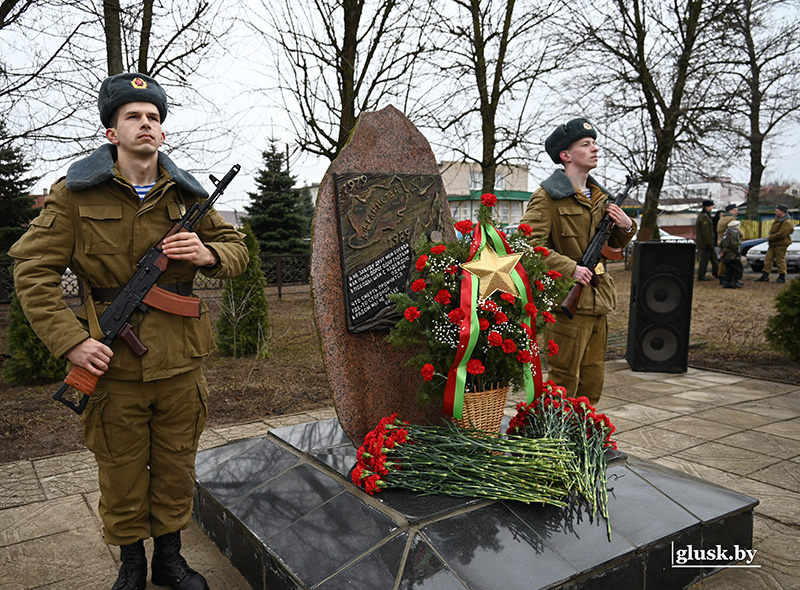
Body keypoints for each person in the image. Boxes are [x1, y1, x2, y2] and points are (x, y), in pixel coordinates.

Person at [9, 73, 249, 590]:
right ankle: (132, 565)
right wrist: (71, 341)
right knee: (120, 471)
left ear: (163, 133)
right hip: (111, 362)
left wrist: (209, 254)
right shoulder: (74, 196)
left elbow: (238, 252)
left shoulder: (188, 197)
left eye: (155, 117)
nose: (147, 124)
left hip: (182, 363)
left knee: (175, 465)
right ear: (112, 132)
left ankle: (169, 559)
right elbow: (32, 271)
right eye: (134, 116)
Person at [519, 117, 636, 405]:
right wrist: (569, 267)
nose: (595, 149)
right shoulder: (548, 197)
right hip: (567, 299)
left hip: (598, 297)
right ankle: (554, 438)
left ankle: (584, 433)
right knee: (564, 376)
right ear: (566, 155)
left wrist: (626, 226)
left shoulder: (601, 198)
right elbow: (526, 244)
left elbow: (611, 246)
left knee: (593, 375)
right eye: (586, 144)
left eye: (595, 143)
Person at [755, 204, 794, 283]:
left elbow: (781, 234)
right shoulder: (778, 220)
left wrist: (770, 237)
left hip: (781, 244)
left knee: (780, 260)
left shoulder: (787, 222)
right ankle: (765, 275)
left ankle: (782, 276)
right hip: (773, 244)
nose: (775, 212)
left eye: (777, 211)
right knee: (768, 260)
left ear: (782, 212)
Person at [695, 199, 718, 281]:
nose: (712, 208)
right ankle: (701, 275)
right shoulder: (704, 217)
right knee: (704, 260)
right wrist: (708, 243)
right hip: (705, 243)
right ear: (707, 207)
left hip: (708, 242)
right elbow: (705, 232)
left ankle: (717, 273)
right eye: (711, 206)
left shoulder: (706, 215)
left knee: (714, 258)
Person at [716, 203, 739, 284]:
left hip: (721, 241)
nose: (737, 212)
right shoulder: (731, 219)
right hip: (728, 242)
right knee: (728, 261)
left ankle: (721, 276)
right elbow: (734, 230)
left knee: (723, 260)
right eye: (735, 210)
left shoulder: (722, 218)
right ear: (730, 211)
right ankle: (727, 278)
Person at [719, 219, 743, 289]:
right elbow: (734, 244)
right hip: (732, 255)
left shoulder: (726, 232)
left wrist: (722, 252)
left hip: (726, 254)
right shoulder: (734, 233)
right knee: (738, 269)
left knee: (729, 269)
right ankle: (734, 282)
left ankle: (727, 282)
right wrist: (737, 252)